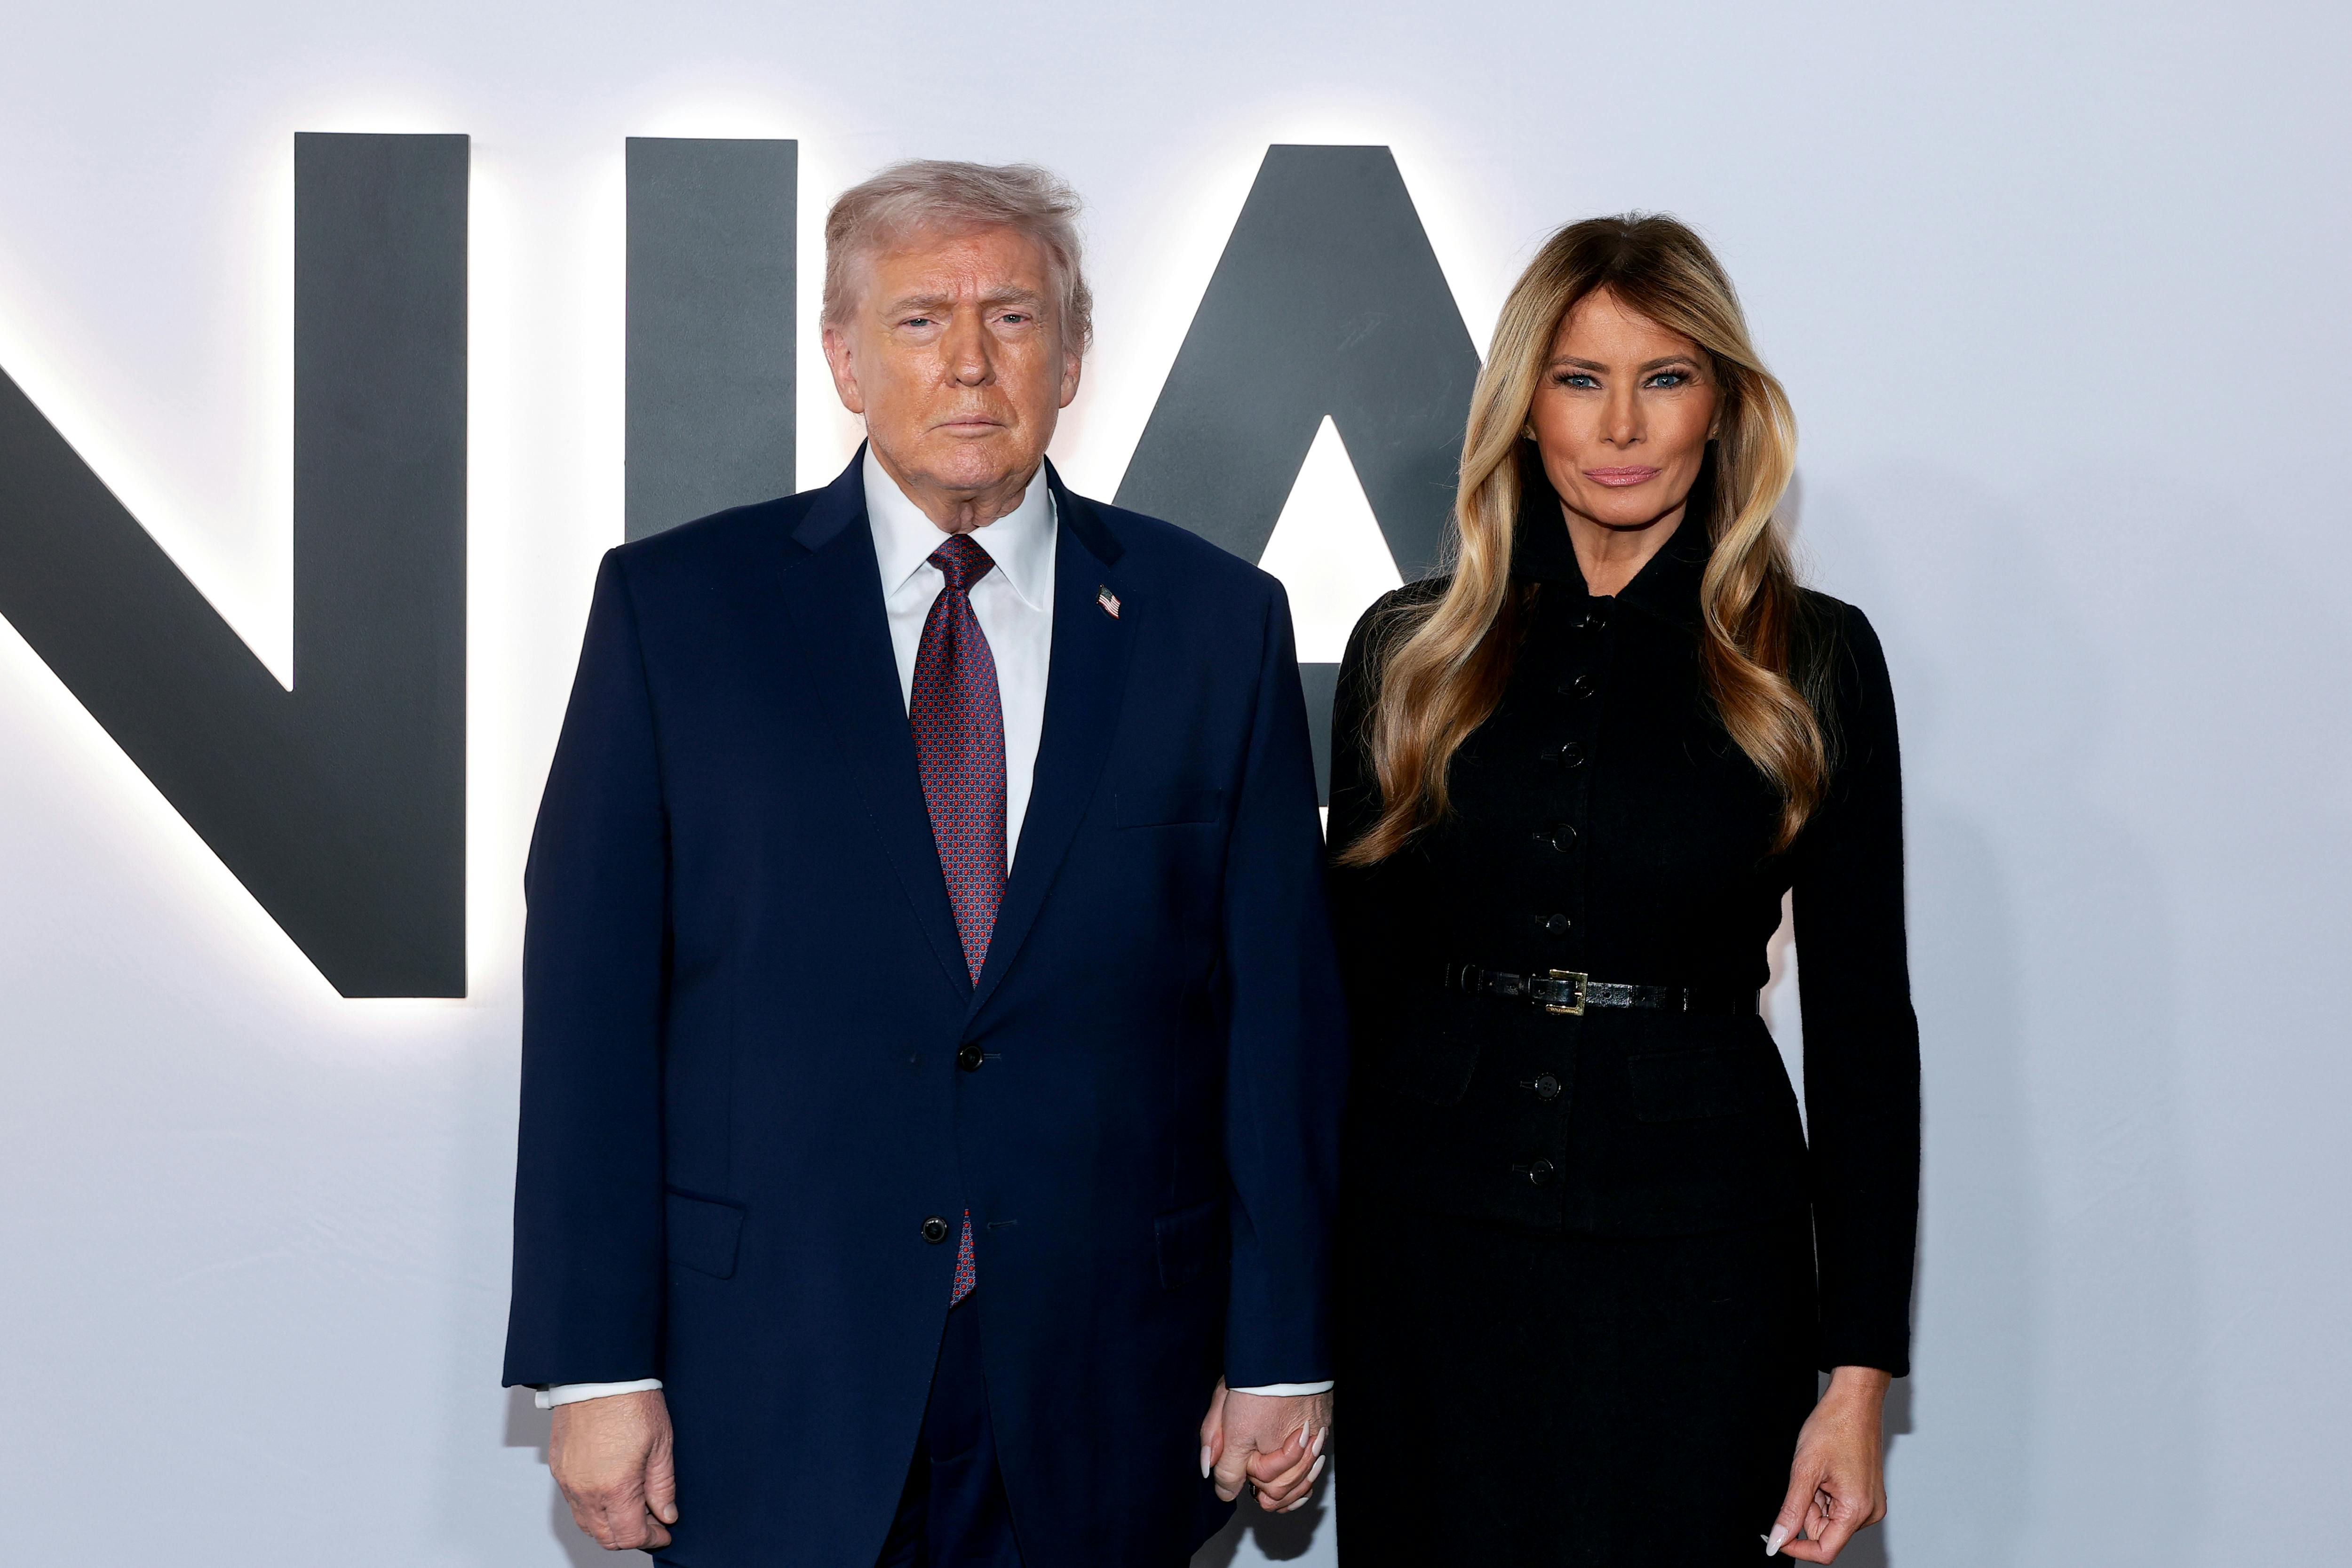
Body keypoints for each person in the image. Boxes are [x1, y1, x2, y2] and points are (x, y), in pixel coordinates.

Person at [503, 160, 1344, 1567]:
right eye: (917, 321)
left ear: (1071, 358)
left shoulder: (1215, 623)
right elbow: (590, 1007)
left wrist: (1285, 1344)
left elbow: (1276, 1020)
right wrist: (595, 1366)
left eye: (1012, 317)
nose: (969, 361)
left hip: (1110, 1383)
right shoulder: (676, 612)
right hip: (771, 1371)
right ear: (842, 357)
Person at [1327, 214, 1919, 1565]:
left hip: (1704, 1268)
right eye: (1581, 378)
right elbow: (1343, 994)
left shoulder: (1809, 657)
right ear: (1526, 407)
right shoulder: (1411, 649)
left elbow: (1866, 1027)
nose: (1623, 424)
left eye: (1665, 377)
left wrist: (1859, 1376)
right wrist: (1289, 1324)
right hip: (1431, 1259)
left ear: (1723, 404)